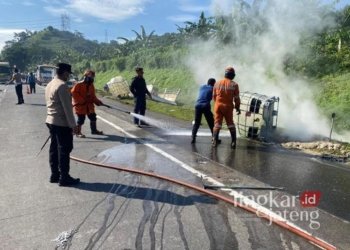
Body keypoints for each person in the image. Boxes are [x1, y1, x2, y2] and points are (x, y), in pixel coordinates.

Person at [45, 63, 80, 186]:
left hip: (50, 121)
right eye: (68, 74)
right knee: (64, 149)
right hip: (61, 123)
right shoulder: (62, 86)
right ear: (65, 72)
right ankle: (64, 177)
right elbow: (67, 109)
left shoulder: (50, 84)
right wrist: (74, 125)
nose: (68, 76)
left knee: (54, 148)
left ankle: (55, 175)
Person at [212, 66, 241, 148]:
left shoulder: (217, 83)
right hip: (228, 107)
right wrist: (237, 107)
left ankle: (214, 140)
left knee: (217, 124)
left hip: (218, 106)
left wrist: (217, 103)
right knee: (230, 124)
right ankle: (233, 142)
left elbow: (214, 96)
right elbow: (236, 98)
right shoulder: (234, 85)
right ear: (232, 75)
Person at [71, 69, 104, 137]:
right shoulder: (78, 84)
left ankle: (94, 130)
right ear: (85, 76)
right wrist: (81, 100)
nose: (92, 78)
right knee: (81, 120)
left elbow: (93, 96)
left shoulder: (91, 85)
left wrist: (98, 102)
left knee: (93, 117)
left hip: (89, 105)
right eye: (91, 77)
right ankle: (78, 132)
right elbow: (74, 93)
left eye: (93, 77)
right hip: (80, 105)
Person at [191, 78, 221, 144]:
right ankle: (215, 138)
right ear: (214, 84)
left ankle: (193, 138)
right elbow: (216, 99)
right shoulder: (213, 88)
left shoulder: (202, 87)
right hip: (205, 106)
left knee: (197, 122)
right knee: (211, 123)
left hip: (197, 105)